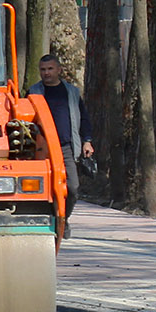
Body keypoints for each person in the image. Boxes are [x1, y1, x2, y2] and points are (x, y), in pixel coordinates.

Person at [32, 53, 92, 214]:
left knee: (72, 187)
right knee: (47, 188)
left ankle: (63, 220)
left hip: (66, 147)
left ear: (59, 69)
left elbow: (84, 117)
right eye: (43, 69)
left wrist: (87, 140)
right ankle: (51, 218)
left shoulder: (71, 92)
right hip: (43, 149)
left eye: (50, 69)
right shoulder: (34, 93)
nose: (46, 73)